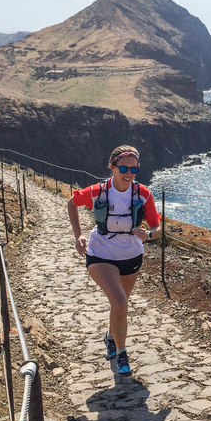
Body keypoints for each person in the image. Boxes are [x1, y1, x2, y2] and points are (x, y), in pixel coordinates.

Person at [68, 145, 162, 376]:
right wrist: (78, 235)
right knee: (120, 303)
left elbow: (157, 226)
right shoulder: (98, 191)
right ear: (112, 167)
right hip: (100, 253)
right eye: (123, 168)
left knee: (118, 306)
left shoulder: (143, 194)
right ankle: (122, 354)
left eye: (134, 168)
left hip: (131, 255)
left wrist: (149, 235)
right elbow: (72, 203)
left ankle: (111, 337)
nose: (129, 173)